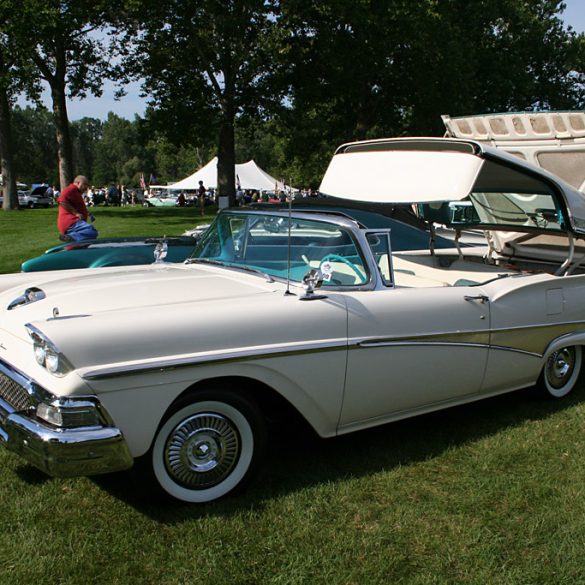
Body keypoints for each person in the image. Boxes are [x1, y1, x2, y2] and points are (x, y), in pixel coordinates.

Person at [57, 175, 98, 242]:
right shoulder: (71, 189)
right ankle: (70, 237)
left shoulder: (76, 192)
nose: (86, 187)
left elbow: (78, 206)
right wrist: (76, 213)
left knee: (83, 242)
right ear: (78, 183)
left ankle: (71, 239)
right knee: (92, 231)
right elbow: (62, 201)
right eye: (85, 184)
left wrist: (88, 213)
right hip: (71, 222)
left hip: (73, 222)